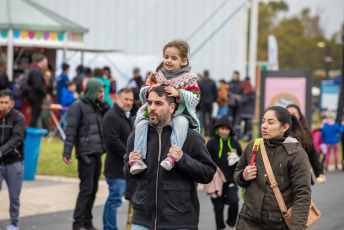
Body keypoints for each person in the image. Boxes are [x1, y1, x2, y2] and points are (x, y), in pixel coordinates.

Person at [123, 85, 216, 230]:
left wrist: (183, 159)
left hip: (179, 221)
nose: (152, 108)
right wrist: (130, 164)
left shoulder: (190, 137)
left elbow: (208, 173)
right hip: (143, 220)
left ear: (172, 108)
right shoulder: (137, 135)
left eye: (158, 103)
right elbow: (128, 173)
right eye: (150, 103)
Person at [234, 106, 312, 229]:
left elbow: (302, 196)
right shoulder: (253, 146)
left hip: (278, 225)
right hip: (247, 222)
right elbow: (237, 174)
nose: (264, 126)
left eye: (270, 122)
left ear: (285, 127)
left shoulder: (295, 153)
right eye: (263, 121)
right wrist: (243, 176)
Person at [130, 39, 201, 174]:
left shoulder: (189, 78)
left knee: (180, 123)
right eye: (166, 57)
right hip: (156, 113)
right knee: (140, 124)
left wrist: (179, 93)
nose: (168, 60)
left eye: (173, 58)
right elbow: (143, 91)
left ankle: (172, 156)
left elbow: (195, 97)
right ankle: (138, 159)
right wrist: (150, 89)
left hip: (180, 113)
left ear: (183, 60)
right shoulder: (156, 76)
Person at [62, 78, 110, 230]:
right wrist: (67, 151)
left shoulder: (97, 106)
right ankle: (78, 224)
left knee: (93, 190)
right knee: (86, 190)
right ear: (92, 90)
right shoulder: (78, 106)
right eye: (100, 91)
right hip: (85, 154)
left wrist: (103, 104)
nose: (102, 94)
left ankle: (87, 223)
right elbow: (70, 130)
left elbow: (110, 119)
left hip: (97, 152)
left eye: (103, 91)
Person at [102, 87, 134, 230]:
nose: (129, 102)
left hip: (125, 168)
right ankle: (109, 228)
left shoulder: (125, 115)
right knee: (114, 201)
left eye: (131, 100)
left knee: (117, 201)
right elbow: (113, 141)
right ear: (117, 99)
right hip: (115, 169)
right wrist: (130, 155)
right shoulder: (112, 116)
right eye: (126, 99)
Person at [206, 116, 242, 230]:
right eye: (221, 128)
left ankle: (231, 223)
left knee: (234, 202)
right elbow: (205, 160)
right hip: (216, 182)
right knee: (218, 208)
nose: (224, 131)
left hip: (231, 180)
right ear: (217, 129)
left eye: (227, 129)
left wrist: (237, 158)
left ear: (230, 130)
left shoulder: (235, 143)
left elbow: (242, 159)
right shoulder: (211, 143)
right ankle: (220, 227)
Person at [0, 89, 26, 230]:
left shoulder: (19, 118)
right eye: (0, 102)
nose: (3, 105)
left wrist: (2, 151)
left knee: (14, 197)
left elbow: (17, 138)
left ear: (12, 103)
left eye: (6, 102)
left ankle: (13, 223)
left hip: (14, 162)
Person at [286, 104, 326, 183]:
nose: (291, 116)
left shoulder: (305, 132)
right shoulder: (280, 131)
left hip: (302, 174)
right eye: (288, 114)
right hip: (284, 176)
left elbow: (312, 153)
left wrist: (319, 172)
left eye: (294, 114)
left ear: (299, 116)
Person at [26, 54, 49, 127]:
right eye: (45, 62)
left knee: (34, 116)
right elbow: (38, 85)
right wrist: (45, 94)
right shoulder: (36, 71)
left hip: (32, 95)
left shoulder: (33, 69)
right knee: (35, 116)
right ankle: (32, 135)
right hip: (36, 97)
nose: (46, 64)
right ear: (41, 62)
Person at [198, 70, 218, 136]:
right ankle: (210, 131)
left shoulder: (200, 82)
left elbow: (198, 92)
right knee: (210, 117)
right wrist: (214, 100)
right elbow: (216, 92)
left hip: (202, 102)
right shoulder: (212, 82)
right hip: (210, 102)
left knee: (203, 117)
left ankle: (206, 132)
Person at [228, 70, 243, 138]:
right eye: (233, 75)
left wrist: (238, 96)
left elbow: (242, 93)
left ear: (237, 76)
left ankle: (237, 134)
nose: (233, 76)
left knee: (237, 120)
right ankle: (231, 133)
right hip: (231, 104)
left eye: (235, 75)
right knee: (231, 119)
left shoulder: (240, 84)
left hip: (238, 105)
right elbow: (227, 92)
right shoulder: (229, 83)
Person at [241, 77, 256, 142]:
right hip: (250, 110)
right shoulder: (253, 89)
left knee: (248, 124)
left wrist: (238, 99)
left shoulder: (247, 90)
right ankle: (248, 136)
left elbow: (244, 100)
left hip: (246, 110)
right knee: (248, 124)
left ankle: (249, 137)